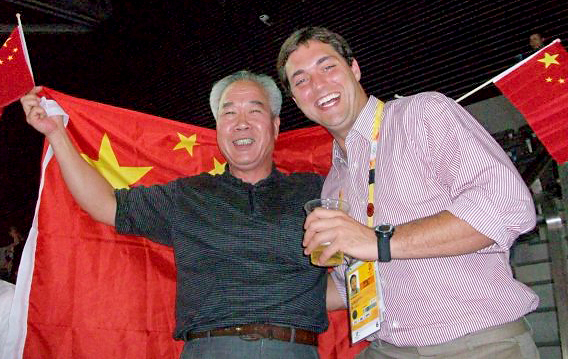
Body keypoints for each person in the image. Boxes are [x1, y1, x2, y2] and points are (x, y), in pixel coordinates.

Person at [21, 70, 327, 359]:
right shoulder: (188, 195)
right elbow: (104, 205)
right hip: (209, 349)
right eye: (229, 112)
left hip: (293, 349)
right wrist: (57, 134)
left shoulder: (316, 191)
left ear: (275, 126)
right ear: (218, 127)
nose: (241, 123)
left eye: (254, 111)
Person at [277, 27, 539, 359]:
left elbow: (508, 206)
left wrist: (378, 240)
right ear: (296, 100)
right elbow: (350, 286)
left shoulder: (422, 114)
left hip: (477, 343)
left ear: (354, 69)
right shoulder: (333, 183)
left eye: (327, 67)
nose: (317, 85)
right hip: (389, 348)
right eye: (301, 81)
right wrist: (253, 298)